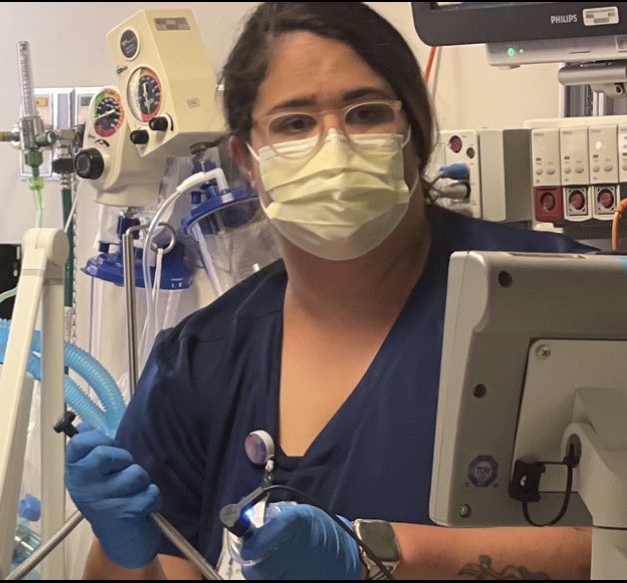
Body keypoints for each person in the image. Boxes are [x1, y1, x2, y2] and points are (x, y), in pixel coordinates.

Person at [66, 3, 594, 579]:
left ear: (415, 134)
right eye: (295, 123)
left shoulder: (559, 299)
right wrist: (126, 548)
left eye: (365, 113)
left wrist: (376, 559)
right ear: (246, 159)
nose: (334, 145)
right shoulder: (201, 361)